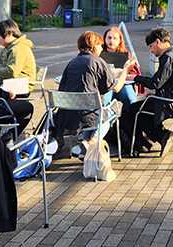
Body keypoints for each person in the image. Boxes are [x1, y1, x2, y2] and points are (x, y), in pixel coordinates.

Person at [55, 30, 135, 158]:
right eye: (99, 45)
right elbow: (116, 88)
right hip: (89, 116)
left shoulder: (71, 63)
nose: (101, 47)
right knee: (109, 112)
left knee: (94, 109)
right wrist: (125, 71)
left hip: (67, 116)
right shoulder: (98, 62)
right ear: (94, 46)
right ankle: (93, 140)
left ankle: (85, 143)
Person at [120, 27, 173, 157]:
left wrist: (135, 78)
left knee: (133, 110)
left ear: (158, 41)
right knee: (140, 108)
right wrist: (158, 93)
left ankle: (159, 136)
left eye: (151, 46)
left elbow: (155, 82)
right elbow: (168, 82)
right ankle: (159, 135)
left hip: (170, 104)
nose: (151, 51)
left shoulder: (168, 58)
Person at [0, 19, 36, 97]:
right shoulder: (9, 48)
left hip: (20, 86)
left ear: (9, 34)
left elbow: (11, 72)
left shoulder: (18, 48)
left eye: (0, 35)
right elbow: (1, 66)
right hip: (12, 83)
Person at [102, 25, 142, 102]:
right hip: (106, 85)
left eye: (115, 38)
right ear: (104, 39)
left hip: (123, 84)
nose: (112, 41)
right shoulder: (99, 53)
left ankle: (127, 113)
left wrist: (126, 70)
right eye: (109, 38)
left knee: (131, 98)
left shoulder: (126, 54)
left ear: (120, 40)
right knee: (103, 101)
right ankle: (107, 114)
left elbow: (134, 73)